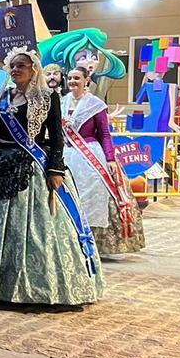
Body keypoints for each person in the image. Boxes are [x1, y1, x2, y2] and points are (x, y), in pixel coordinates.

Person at [0, 47, 106, 305]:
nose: (16, 70)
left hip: (30, 167)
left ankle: (31, 286)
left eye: (22, 66)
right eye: (13, 66)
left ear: (33, 70)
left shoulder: (46, 97)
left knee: (32, 232)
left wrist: (55, 169)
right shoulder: (2, 96)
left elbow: (56, 136)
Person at [64, 67, 144, 255]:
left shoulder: (96, 105)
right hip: (67, 155)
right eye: (69, 78)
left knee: (94, 195)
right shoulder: (61, 103)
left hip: (90, 156)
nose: (72, 81)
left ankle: (96, 243)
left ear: (86, 81)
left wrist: (110, 158)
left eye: (77, 78)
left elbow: (105, 134)